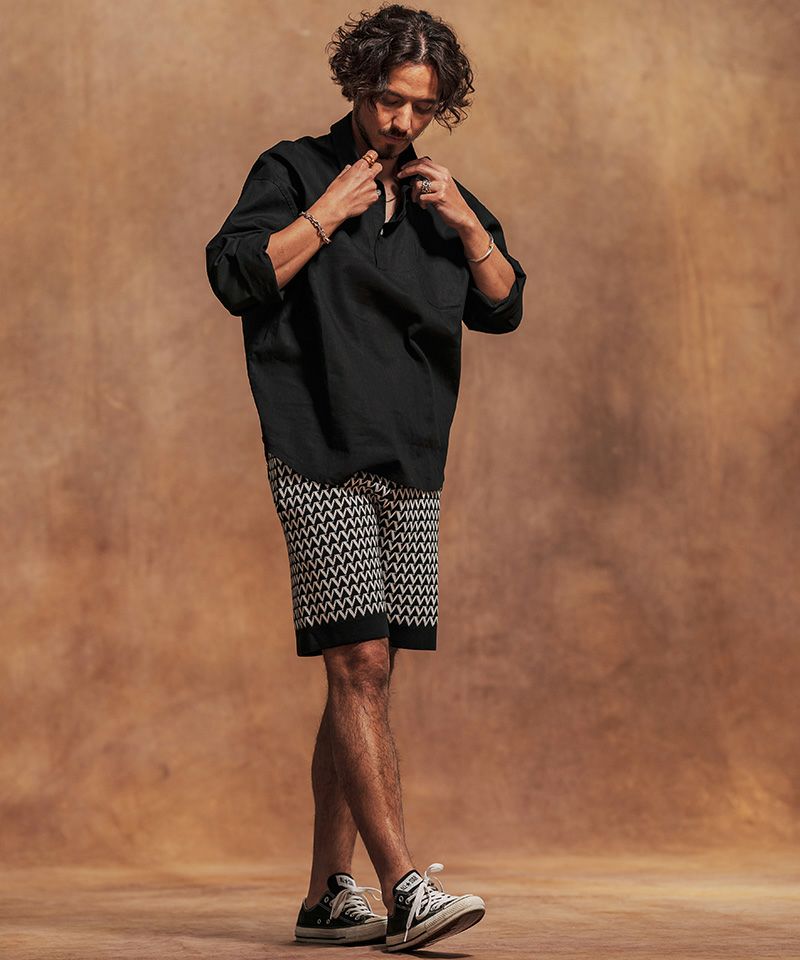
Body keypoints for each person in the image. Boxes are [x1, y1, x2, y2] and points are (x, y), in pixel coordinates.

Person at [205, 3, 525, 951]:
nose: (401, 121)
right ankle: (403, 888)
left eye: (422, 107)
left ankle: (324, 896)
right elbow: (235, 276)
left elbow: (504, 302)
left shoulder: (437, 193)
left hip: (411, 456)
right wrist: (326, 213)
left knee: (366, 675)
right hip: (317, 445)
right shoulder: (294, 170)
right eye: (389, 99)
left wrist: (465, 221)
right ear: (357, 83)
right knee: (360, 664)